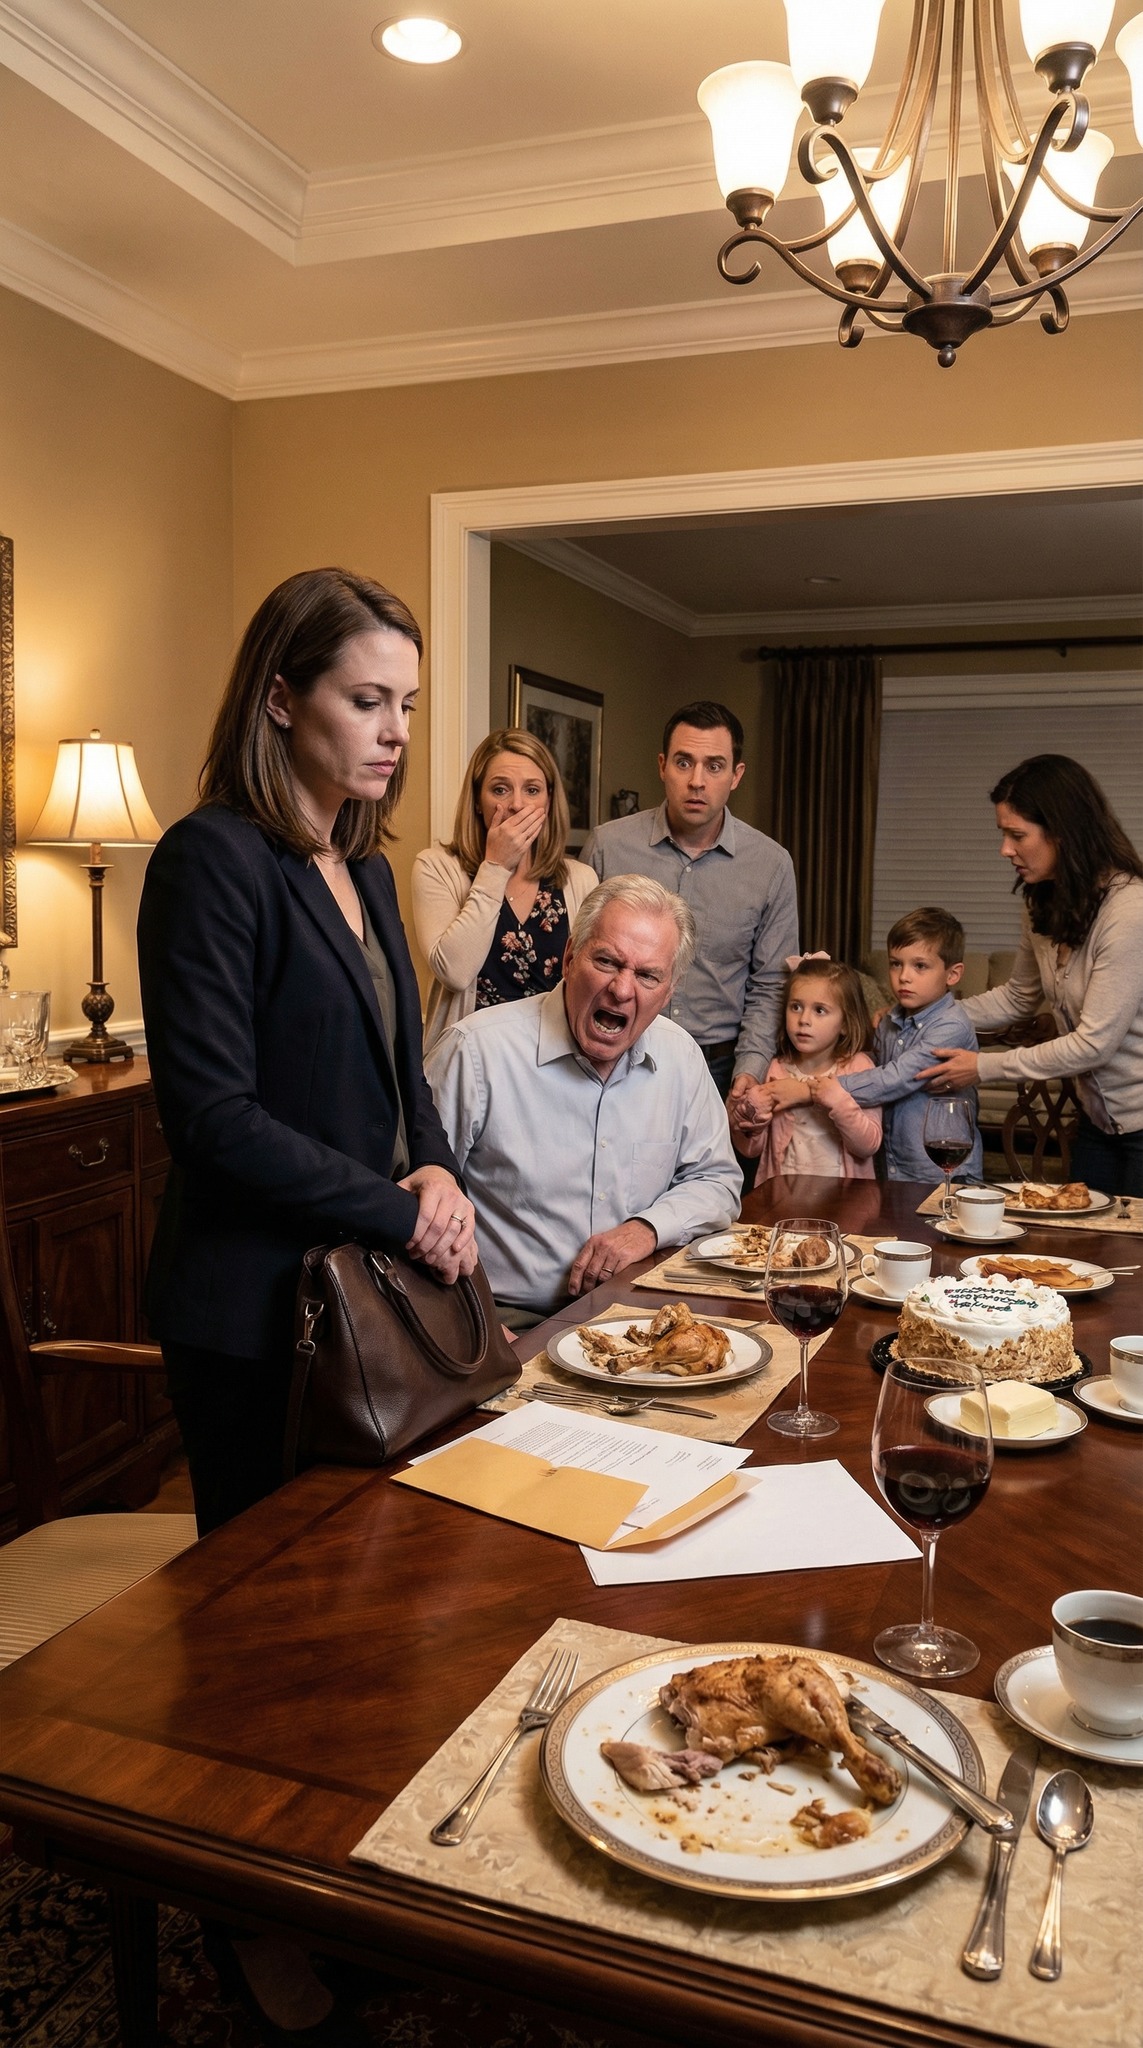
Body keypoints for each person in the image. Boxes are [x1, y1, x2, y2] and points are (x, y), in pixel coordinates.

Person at [138, 567, 476, 1543]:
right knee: (267, 1618)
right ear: (280, 697)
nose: (396, 730)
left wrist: (440, 1171)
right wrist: (404, 1213)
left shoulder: (366, 869)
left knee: (373, 1583)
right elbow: (214, 1120)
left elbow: (402, 1071)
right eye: (367, 700)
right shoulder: (210, 859)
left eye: (405, 704)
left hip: (367, 1292)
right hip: (251, 1312)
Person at [425, 876, 741, 1323]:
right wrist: (480, 1331)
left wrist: (646, 1230)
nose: (623, 990)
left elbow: (717, 1181)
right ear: (570, 957)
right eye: (608, 961)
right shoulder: (475, 1053)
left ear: (669, 992)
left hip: (639, 1313)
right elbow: (410, 1206)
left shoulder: (681, 1057)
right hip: (503, 1319)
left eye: (648, 975)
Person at [918, 755, 1143, 1196]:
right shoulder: (1042, 901)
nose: (1005, 849)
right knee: (1086, 1253)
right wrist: (926, 1015)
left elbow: (1093, 1044)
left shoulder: (1129, 911)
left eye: (1017, 835)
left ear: (1064, 833)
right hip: (1097, 1124)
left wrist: (982, 1067)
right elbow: (1018, 997)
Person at [582, 702, 799, 1129]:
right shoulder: (608, 847)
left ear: (736, 775)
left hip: (719, 1068)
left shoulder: (771, 865)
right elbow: (579, 957)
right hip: (615, 1053)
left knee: (712, 1192)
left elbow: (770, 983)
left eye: (714, 766)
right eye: (684, 762)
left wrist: (748, 1070)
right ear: (663, 766)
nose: (697, 781)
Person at [412, 728, 598, 1052]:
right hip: (469, 1060)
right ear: (477, 802)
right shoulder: (437, 868)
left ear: (549, 801)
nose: (516, 805)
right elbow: (454, 972)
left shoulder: (580, 880)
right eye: (500, 789)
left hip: (554, 1060)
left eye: (532, 790)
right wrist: (495, 867)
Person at [832, 908, 984, 1184]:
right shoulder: (888, 1020)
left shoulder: (951, 1026)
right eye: (895, 964)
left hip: (943, 1171)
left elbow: (896, 1078)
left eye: (920, 966)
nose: (904, 976)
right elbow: (870, 1066)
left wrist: (823, 1087)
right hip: (893, 1166)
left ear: (953, 974)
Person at [730, 955, 882, 1179]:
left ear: (846, 1025)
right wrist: (750, 1120)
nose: (804, 1020)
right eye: (796, 1007)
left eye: (819, 1010)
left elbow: (868, 1145)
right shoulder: (776, 1070)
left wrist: (837, 1100)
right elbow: (750, 1150)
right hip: (783, 1201)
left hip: (844, 1204)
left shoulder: (859, 1068)